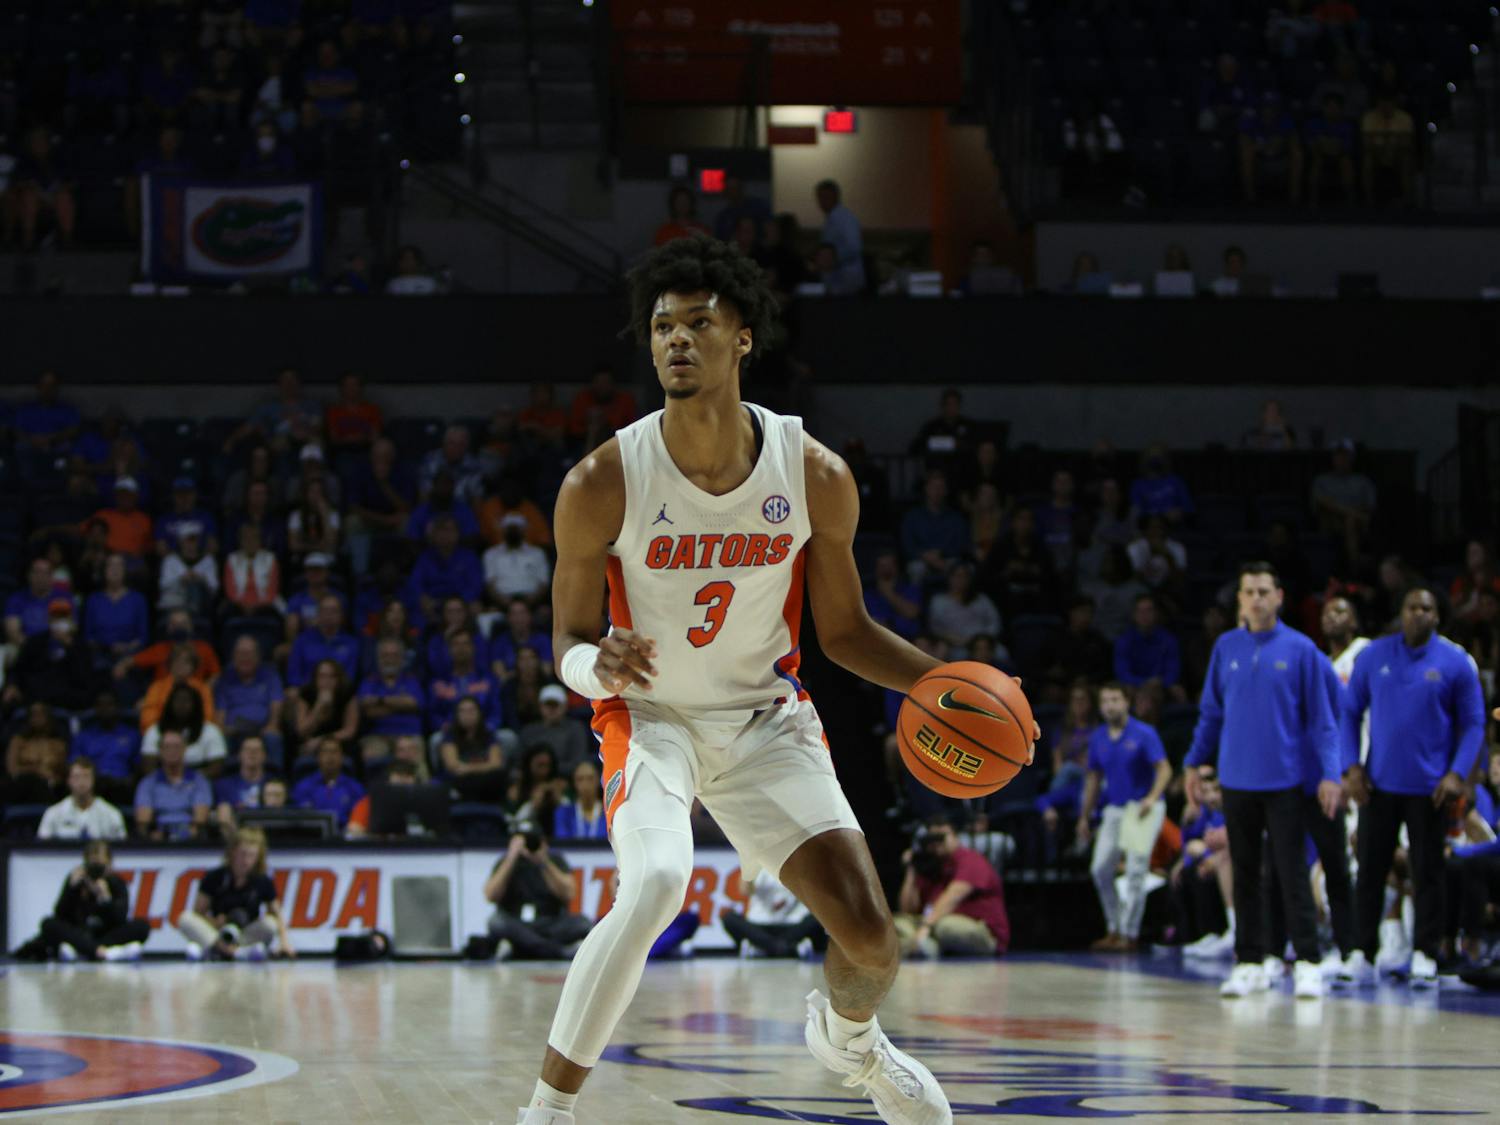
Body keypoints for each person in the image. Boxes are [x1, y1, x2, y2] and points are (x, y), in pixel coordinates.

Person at [514, 237, 1037, 1125]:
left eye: (697, 324)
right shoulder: (601, 480)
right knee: (653, 884)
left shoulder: (813, 474)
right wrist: (586, 661)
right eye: (661, 327)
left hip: (765, 719)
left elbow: (842, 632)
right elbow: (562, 637)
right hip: (652, 717)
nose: (676, 341)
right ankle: (547, 1111)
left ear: (743, 338)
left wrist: (945, 682)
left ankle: (853, 1042)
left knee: (872, 939)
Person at [1185, 562, 1343, 1000]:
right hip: (1236, 779)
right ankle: (1250, 961)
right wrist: (1193, 763)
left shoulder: (1301, 649)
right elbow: (1211, 714)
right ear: (1239, 599)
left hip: (1285, 780)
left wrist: (1331, 773)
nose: (1255, 598)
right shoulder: (1226, 647)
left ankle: (1308, 961)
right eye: (1248, 591)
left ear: (1279, 597)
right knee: (1246, 873)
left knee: (1291, 871)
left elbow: (1324, 722)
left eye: (1263, 591)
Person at [1339, 587, 1485, 988]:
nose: (1419, 614)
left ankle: (1425, 952)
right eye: (1412, 607)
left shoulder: (1456, 662)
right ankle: (1361, 953)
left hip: (1430, 787)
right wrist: (1350, 767)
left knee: (1428, 872)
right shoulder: (1373, 656)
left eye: (1427, 608)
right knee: (1370, 870)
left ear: (1437, 617)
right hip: (1379, 784)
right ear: (1400, 612)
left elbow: (1474, 723)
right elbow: (1349, 713)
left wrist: (1457, 773)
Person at [1076, 683, 1172, 952]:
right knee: (1100, 869)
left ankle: (1129, 934)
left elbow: (1164, 769)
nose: (1110, 705)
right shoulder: (1098, 738)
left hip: (1142, 808)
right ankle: (1114, 927)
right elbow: (1093, 779)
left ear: (1126, 702)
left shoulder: (1144, 733)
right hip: (1115, 809)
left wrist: (1152, 798)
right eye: (1105, 700)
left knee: (1135, 870)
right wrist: (1084, 816)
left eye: (1115, 699)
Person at [894, 815, 1010, 959]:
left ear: (956, 837)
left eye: (942, 837)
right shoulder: (931, 865)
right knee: (896, 923)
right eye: (932, 839)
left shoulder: (971, 859)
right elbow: (907, 910)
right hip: (931, 925)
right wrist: (911, 870)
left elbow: (953, 896)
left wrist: (926, 926)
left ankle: (920, 946)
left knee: (945, 926)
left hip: (981, 931)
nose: (937, 843)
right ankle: (925, 946)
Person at [177, 827, 295, 961]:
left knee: (270, 924)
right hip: (218, 932)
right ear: (232, 853)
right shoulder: (214, 877)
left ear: (258, 857)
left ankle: (218, 951)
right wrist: (215, 922)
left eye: (252, 855)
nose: (246, 860)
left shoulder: (263, 881)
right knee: (185, 918)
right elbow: (198, 912)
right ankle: (234, 952)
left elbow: (277, 914)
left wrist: (284, 942)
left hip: (245, 933)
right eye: (242, 854)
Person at [485, 823, 594, 961]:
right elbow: (491, 895)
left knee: (583, 923)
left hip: (549, 922)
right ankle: (558, 952)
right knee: (496, 922)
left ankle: (520, 949)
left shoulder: (555, 860)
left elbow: (569, 893)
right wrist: (511, 858)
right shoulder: (505, 861)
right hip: (517, 922)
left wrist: (544, 862)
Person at [37, 841, 148, 962]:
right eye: (92, 864)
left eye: (100, 865)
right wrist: (71, 889)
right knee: (48, 923)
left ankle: (84, 952)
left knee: (142, 926)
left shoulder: (117, 882)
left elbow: (120, 918)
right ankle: (105, 952)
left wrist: (105, 898)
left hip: (107, 934)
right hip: (80, 932)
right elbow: (60, 914)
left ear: (109, 863)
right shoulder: (76, 881)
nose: (95, 870)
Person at [215, 635, 286, 766]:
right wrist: (222, 728)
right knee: (220, 740)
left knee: (273, 738)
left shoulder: (270, 675)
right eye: (241, 653)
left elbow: (277, 703)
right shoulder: (224, 680)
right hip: (233, 731)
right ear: (233, 657)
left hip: (262, 729)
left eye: (249, 653)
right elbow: (220, 713)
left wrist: (273, 724)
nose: (245, 657)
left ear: (258, 656)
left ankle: (276, 778)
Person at [721, 869, 825, 958]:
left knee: (819, 917)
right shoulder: (757, 864)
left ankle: (764, 948)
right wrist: (750, 866)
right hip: (760, 925)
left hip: (791, 925)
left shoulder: (796, 863)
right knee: (728, 917)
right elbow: (744, 891)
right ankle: (786, 948)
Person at [357, 637, 426, 765]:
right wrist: (401, 706)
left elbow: (415, 703)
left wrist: (380, 700)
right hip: (376, 736)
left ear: (402, 658)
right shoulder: (369, 682)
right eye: (385, 655)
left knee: (413, 759)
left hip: (408, 735)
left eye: (394, 655)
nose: (389, 660)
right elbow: (368, 710)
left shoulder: (411, 680)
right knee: (370, 755)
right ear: (378, 658)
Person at [134, 729, 212, 840]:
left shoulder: (199, 781)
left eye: (176, 747)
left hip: (190, 840)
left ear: (184, 749)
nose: (172, 751)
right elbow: (143, 821)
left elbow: (200, 819)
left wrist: (185, 834)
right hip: (158, 841)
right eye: (167, 747)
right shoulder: (148, 783)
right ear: (160, 751)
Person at [69, 692, 141, 806]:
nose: (105, 709)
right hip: (93, 785)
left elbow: (138, 765)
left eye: (109, 704)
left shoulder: (132, 735)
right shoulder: (84, 736)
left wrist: (129, 780)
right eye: (101, 705)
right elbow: (75, 764)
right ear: (95, 709)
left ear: (118, 708)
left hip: (122, 787)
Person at [1311, 440, 1376, 564]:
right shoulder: (1322, 481)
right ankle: (1354, 566)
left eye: (1346, 456)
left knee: (1351, 522)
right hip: (1330, 522)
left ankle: (1354, 566)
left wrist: (1354, 516)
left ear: (1352, 459)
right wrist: (1350, 513)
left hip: (1360, 524)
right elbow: (1321, 503)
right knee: (1349, 519)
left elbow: (1369, 506)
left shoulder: (1363, 482)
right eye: (1338, 456)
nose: (1342, 460)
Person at [142, 683, 229, 775]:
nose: (181, 704)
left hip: (199, 782)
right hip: (161, 782)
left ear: (196, 704)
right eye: (177, 700)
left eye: (187, 700)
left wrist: (187, 780)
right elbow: (148, 767)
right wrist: (170, 781)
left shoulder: (211, 731)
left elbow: (216, 768)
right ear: (170, 703)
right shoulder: (154, 731)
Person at [1113, 594, 1185, 703]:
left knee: (1178, 691)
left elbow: (1173, 670)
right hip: (1135, 686)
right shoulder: (1124, 640)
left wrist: (1160, 682)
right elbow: (1123, 673)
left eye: (1149, 610)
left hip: (1160, 686)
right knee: (1127, 690)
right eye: (1140, 611)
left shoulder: (1169, 640)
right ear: (1134, 615)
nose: (1144, 615)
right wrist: (1144, 682)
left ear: (1156, 613)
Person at [39, 758, 127, 840]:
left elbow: (122, 850)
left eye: (86, 776)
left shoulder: (111, 814)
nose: (82, 782)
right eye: (77, 777)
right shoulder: (53, 813)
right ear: (69, 781)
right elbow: (42, 850)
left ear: (94, 780)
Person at [292, 660, 359, 763]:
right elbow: (301, 730)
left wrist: (322, 740)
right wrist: (318, 707)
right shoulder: (307, 694)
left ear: (338, 679)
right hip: (310, 745)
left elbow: (350, 730)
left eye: (331, 676)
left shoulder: (347, 693)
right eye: (322, 676)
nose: (326, 681)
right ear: (315, 679)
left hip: (340, 744)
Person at [287, 593, 360, 686]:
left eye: (334, 611)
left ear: (342, 615)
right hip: (306, 693)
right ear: (317, 614)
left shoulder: (352, 644)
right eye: (325, 610)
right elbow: (293, 676)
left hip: (341, 695)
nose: (329, 615)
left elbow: (350, 678)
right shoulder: (302, 641)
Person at [291, 738, 366, 828]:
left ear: (342, 757)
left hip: (345, 836)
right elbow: (300, 817)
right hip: (312, 835)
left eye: (334, 752)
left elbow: (360, 818)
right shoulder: (303, 786)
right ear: (318, 757)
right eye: (325, 751)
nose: (330, 756)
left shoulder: (355, 788)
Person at [521, 685, 592, 777]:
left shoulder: (576, 729)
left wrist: (547, 769)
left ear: (565, 706)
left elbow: (578, 762)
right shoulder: (529, 732)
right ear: (540, 706)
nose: (551, 709)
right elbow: (520, 761)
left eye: (555, 705)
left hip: (566, 780)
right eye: (548, 705)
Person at [484, 513, 552, 607]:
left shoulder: (537, 553)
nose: (513, 532)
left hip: (532, 601)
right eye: (510, 529)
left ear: (524, 530)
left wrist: (528, 603)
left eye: (516, 529)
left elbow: (543, 583)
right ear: (503, 531)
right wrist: (507, 604)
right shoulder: (491, 554)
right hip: (502, 602)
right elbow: (490, 584)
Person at [813, 179, 865, 295]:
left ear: (834, 196)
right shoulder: (832, 219)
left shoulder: (844, 218)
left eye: (824, 197)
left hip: (847, 279)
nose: (820, 201)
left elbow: (854, 247)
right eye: (819, 197)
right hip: (838, 278)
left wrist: (831, 260)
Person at [214, 735, 273, 833]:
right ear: (240, 754)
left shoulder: (273, 784)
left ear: (264, 756)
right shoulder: (224, 785)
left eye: (257, 750)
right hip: (236, 833)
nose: (252, 753)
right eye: (247, 749)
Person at [553, 759, 607, 841]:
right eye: (580, 779)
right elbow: (562, 842)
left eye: (590, 778)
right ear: (574, 783)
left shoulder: (608, 813)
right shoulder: (563, 813)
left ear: (598, 781)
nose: (585, 784)